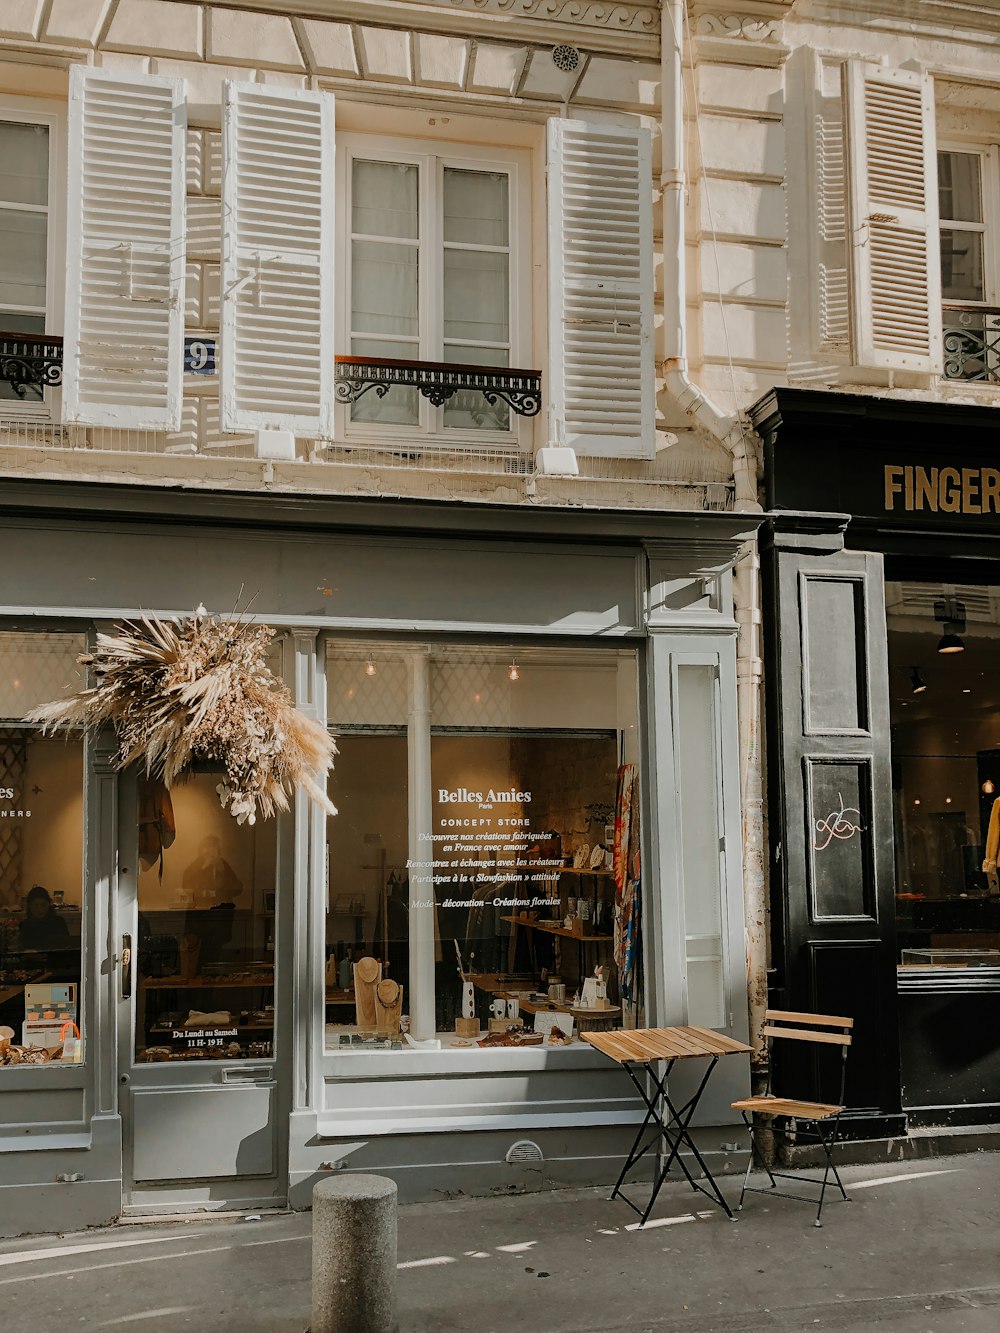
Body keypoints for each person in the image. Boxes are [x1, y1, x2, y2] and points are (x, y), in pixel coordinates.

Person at [19, 885, 72, 952]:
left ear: (49, 904)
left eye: (43, 905)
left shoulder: (58, 922)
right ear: (29, 906)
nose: (39, 909)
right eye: (35, 905)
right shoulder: (25, 925)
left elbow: (66, 947)